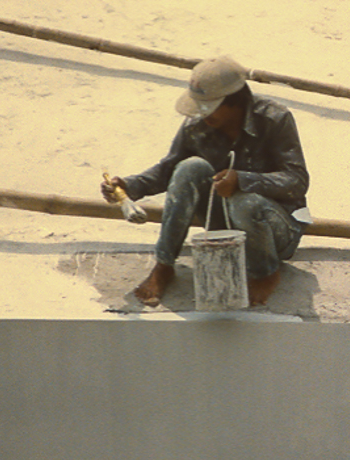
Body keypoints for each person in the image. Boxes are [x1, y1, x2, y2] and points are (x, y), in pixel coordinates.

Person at [102, 56, 310, 307]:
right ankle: (164, 265)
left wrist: (242, 180)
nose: (203, 114)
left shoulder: (275, 118)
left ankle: (266, 272)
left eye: (210, 107)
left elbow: (296, 180)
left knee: (244, 203)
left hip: (277, 230)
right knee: (189, 167)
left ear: (234, 101)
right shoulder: (196, 126)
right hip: (224, 225)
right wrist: (128, 186)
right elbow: (168, 170)